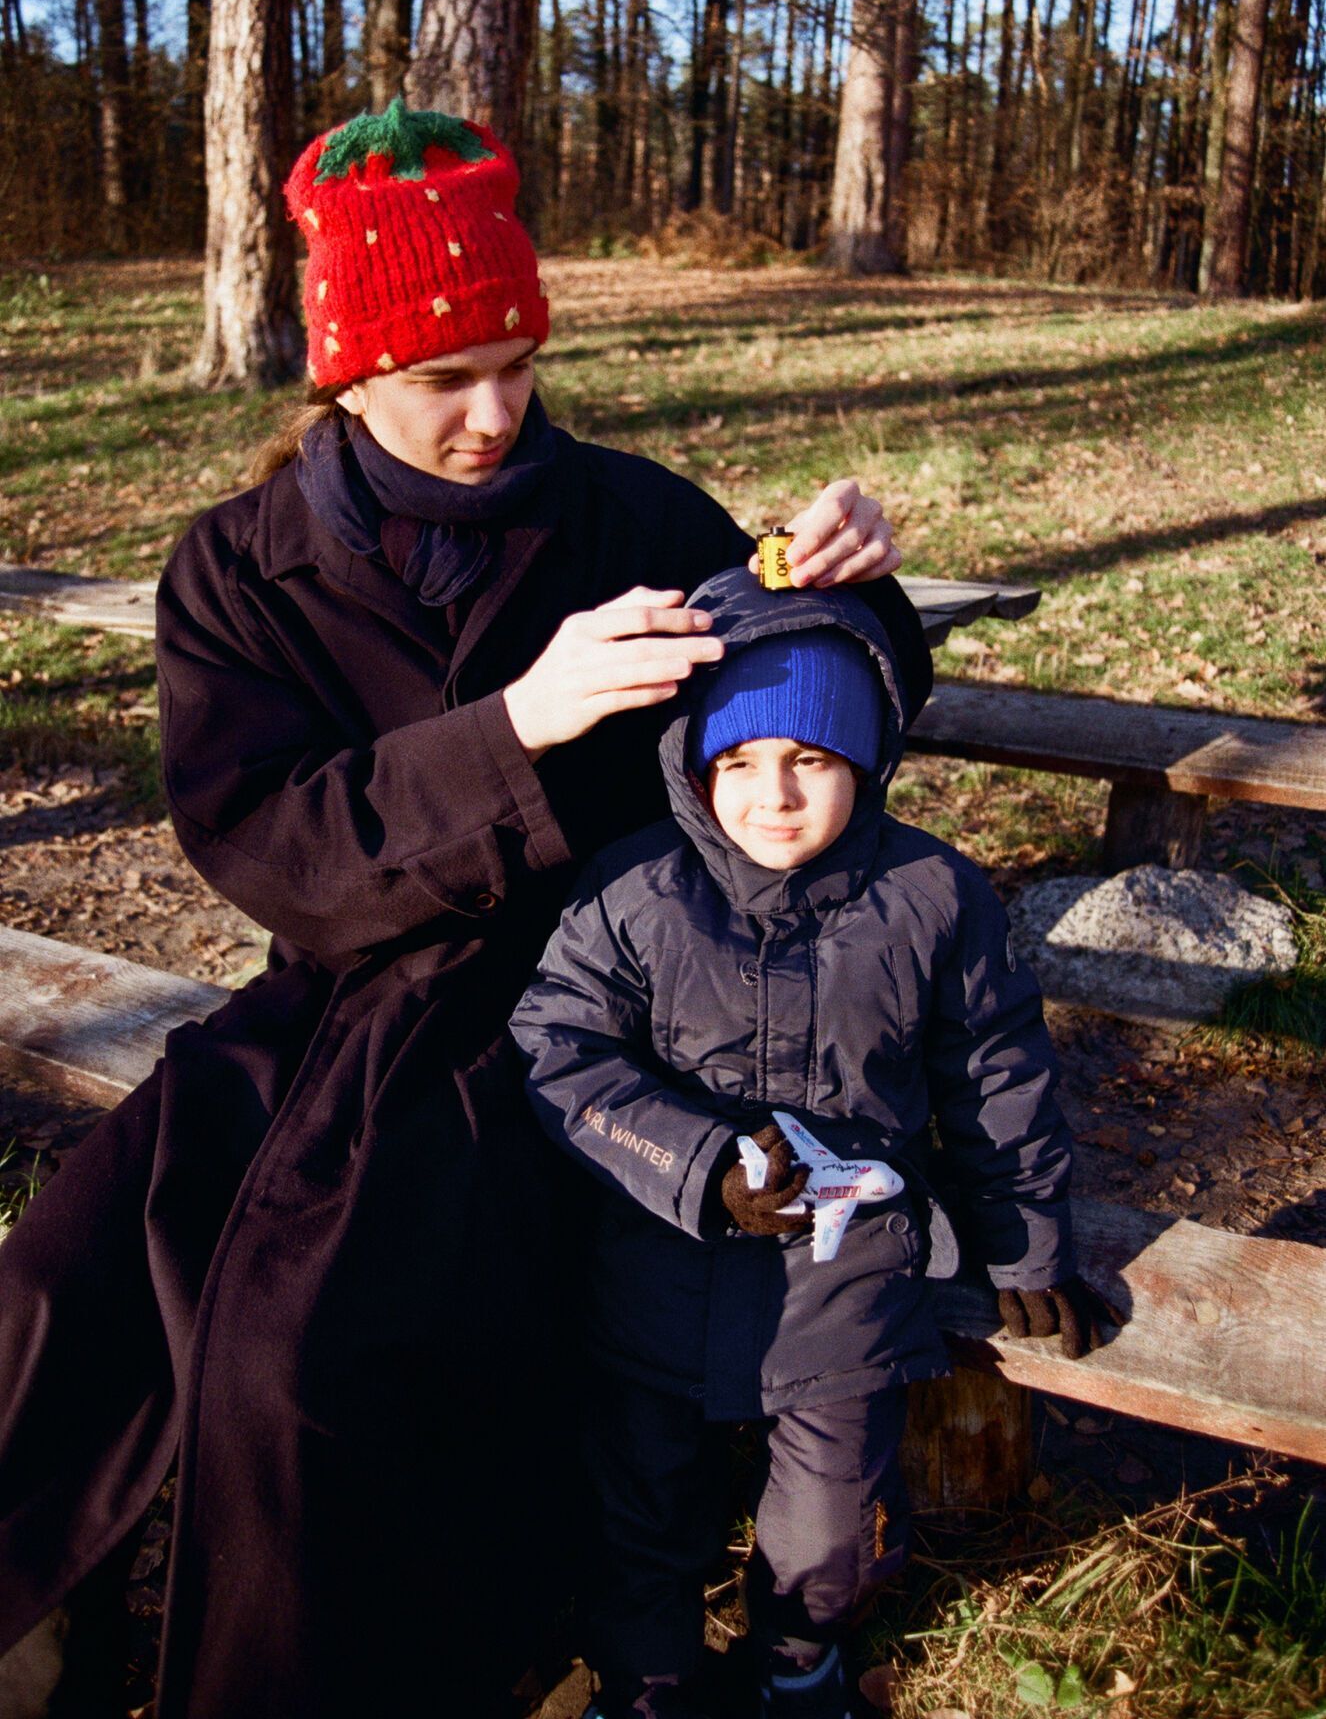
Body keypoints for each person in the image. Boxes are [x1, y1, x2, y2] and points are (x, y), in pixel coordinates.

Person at [0, 101, 934, 1719]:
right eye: (447, 378)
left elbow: (804, 704)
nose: (498, 413)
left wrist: (854, 589)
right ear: (344, 374)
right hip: (319, 997)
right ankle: (28, 1613)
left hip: (565, 1012)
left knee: (300, 1363)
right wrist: (515, 727)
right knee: (57, 1273)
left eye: (519, 359)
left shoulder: (628, 518)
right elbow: (261, 841)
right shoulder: (235, 566)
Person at [511, 566, 1121, 1719]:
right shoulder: (637, 888)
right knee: (643, 1504)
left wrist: (1029, 1245)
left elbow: (998, 1077)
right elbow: (559, 1049)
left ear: (867, 761)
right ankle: (649, 1674)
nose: (772, 795)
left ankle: (801, 1662)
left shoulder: (934, 895)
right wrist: (693, 1161)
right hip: (657, 1273)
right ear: (694, 766)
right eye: (737, 762)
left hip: (848, 1285)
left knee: (828, 1520)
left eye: (810, 759)